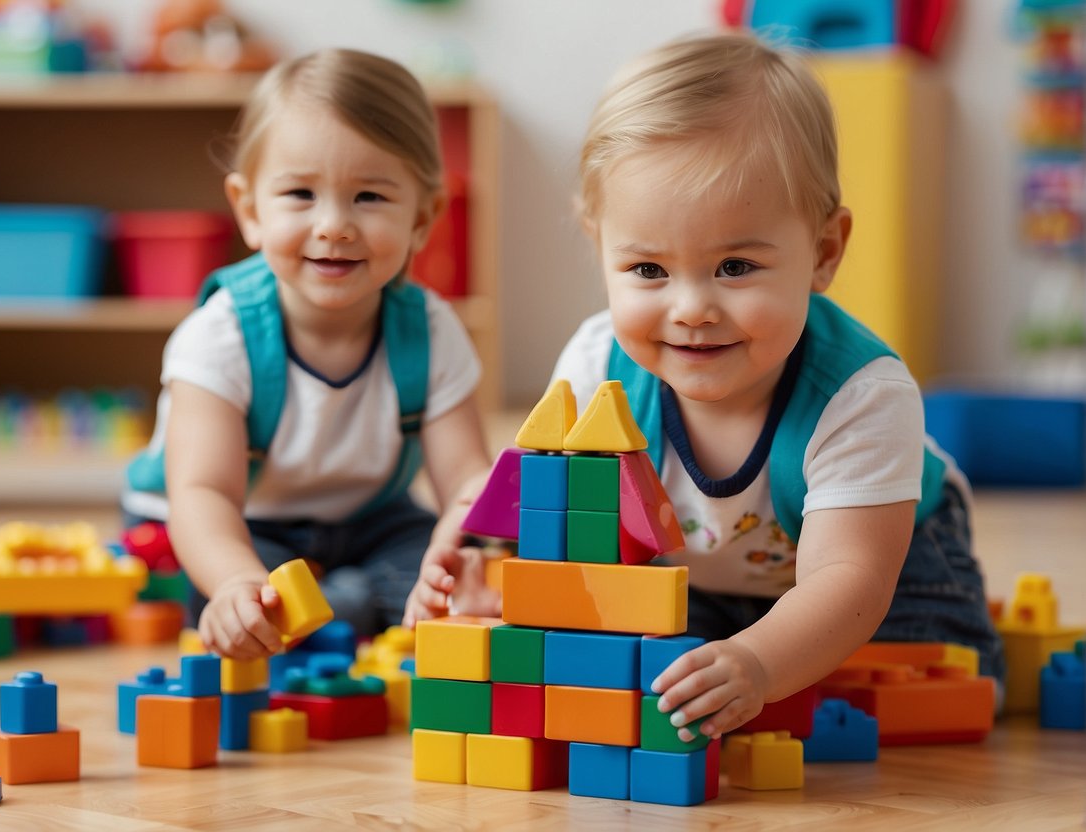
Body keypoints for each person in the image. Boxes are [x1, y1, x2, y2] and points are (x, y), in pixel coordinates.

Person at [406, 31, 1003, 743]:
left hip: (887, 567)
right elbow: (545, 495)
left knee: (902, 696)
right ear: (600, 247)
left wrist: (757, 660)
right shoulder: (598, 365)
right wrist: (475, 556)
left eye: (734, 268)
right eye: (648, 271)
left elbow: (849, 580)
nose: (690, 308)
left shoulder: (861, 395)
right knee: (657, 683)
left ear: (822, 252)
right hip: (701, 574)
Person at [121, 48, 491, 659]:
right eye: (300, 194)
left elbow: (466, 481)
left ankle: (340, 602)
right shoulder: (222, 336)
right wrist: (235, 582)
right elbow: (204, 494)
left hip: (366, 516)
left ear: (422, 217)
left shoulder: (429, 329)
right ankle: (338, 604)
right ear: (249, 210)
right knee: (237, 602)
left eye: (369, 197)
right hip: (232, 520)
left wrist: (456, 554)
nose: (334, 225)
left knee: (434, 574)